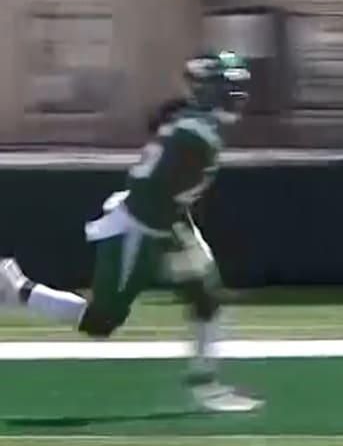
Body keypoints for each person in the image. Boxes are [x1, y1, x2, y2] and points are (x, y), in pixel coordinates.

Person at [0, 50, 263, 414]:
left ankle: (205, 384)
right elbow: (159, 187)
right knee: (101, 321)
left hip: (167, 220)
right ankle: (17, 289)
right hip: (143, 226)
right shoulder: (197, 133)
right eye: (230, 89)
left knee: (208, 298)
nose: (237, 97)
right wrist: (164, 243)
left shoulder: (193, 124)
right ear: (211, 90)